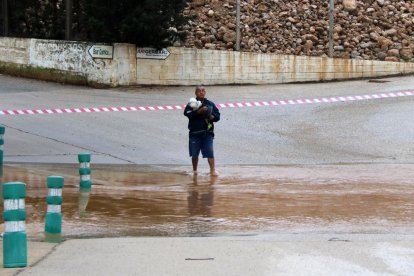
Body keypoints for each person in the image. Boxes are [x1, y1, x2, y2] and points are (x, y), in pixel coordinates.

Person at [184, 85, 220, 176]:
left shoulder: (210, 104)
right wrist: (198, 112)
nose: (201, 92)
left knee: (210, 152)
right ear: (196, 93)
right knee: (194, 154)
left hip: (207, 133)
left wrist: (210, 115)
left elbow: (218, 117)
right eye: (199, 91)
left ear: (205, 92)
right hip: (194, 133)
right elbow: (187, 114)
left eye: (203, 90)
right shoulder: (191, 104)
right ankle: (195, 171)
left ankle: (212, 171)